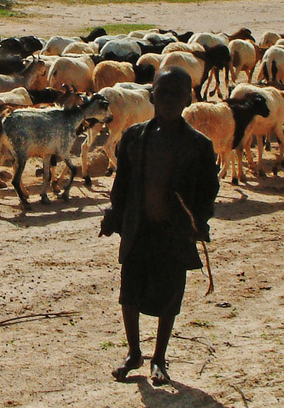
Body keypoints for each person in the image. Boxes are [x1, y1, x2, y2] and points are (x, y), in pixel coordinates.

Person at [99, 66, 219, 385]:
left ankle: (160, 358)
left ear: (188, 98)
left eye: (176, 94)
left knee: (169, 295)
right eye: (162, 93)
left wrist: (200, 220)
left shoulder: (199, 146)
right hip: (138, 226)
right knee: (130, 293)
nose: (167, 99)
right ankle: (134, 353)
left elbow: (208, 189)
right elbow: (122, 184)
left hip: (173, 230)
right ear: (151, 96)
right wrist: (114, 215)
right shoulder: (134, 138)